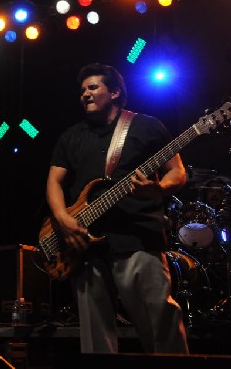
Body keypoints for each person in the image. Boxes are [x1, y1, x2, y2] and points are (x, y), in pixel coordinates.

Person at [44, 63, 189, 354]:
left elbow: (178, 172)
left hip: (137, 238)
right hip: (85, 247)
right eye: (82, 90)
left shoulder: (146, 126)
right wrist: (62, 219)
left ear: (115, 92)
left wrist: (158, 189)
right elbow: (54, 183)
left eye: (93, 87)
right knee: (95, 339)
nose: (85, 94)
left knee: (159, 323)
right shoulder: (71, 137)